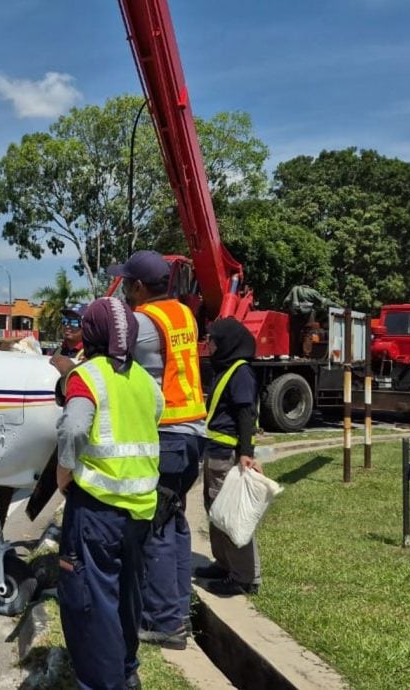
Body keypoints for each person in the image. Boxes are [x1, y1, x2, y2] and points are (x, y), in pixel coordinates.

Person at [55, 296, 164, 690]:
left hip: (97, 512)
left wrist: (63, 472)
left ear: (91, 333)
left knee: (90, 602)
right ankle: (126, 669)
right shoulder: (147, 382)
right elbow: (152, 421)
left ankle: (104, 682)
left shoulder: (89, 375)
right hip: (140, 511)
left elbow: (73, 428)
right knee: (127, 596)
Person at [107, 250, 205, 649]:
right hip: (193, 433)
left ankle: (164, 624)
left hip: (166, 437)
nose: (126, 291)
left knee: (157, 530)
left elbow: (111, 363)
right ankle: (177, 611)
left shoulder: (144, 324)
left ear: (141, 287)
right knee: (175, 525)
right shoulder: (183, 314)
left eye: (128, 284)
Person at [197, 318, 261, 596]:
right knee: (217, 513)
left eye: (212, 340)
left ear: (226, 343)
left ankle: (245, 577)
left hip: (228, 455)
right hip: (215, 453)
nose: (208, 344)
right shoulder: (224, 369)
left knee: (233, 516)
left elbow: (246, 415)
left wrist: (245, 454)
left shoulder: (241, 372)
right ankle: (224, 565)